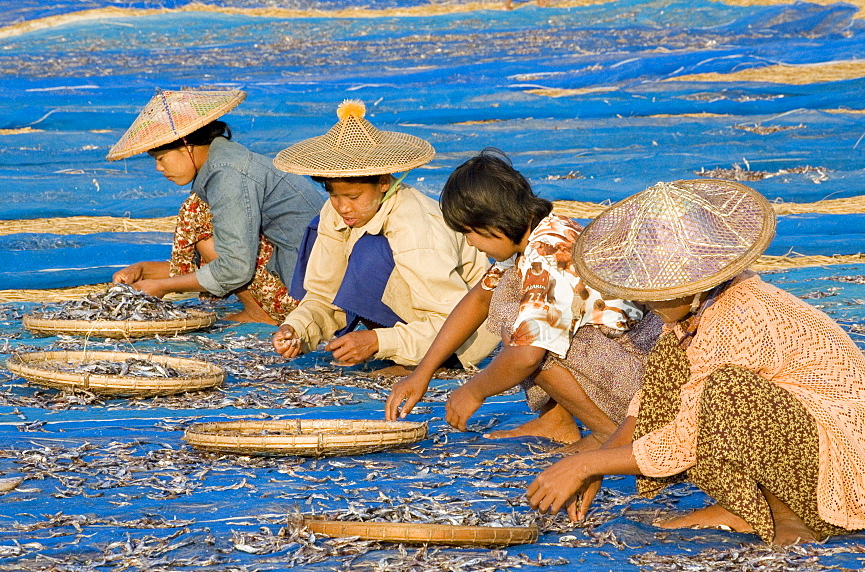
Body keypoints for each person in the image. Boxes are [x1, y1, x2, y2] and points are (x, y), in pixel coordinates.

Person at [526, 179, 865, 545]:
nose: (647, 302)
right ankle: (746, 508)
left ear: (696, 285)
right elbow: (647, 403)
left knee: (730, 389)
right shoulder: (693, 316)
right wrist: (598, 459)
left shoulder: (737, 315)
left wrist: (586, 466)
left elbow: (685, 439)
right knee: (668, 366)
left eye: (657, 292)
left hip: (843, 465)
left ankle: (788, 518)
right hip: (803, 448)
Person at [386, 150, 657, 447]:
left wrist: (474, 390)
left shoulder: (546, 256)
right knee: (511, 298)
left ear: (494, 221)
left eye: (470, 232)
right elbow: (478, 300)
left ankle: (609, 434)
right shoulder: (535, 233)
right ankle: (556, 421)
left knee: (530, 340)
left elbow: (527, 357)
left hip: (640, 380)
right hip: (620, 365)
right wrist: (423, 372)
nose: (469, 243)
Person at [270, 100, 498, 370]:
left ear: (383, 183)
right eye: (334, 194)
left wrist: (380, 341)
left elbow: (454, 319)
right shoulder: (336, 212)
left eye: (354, 197)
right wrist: (297, 328)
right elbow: (324, 294)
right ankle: (398, 352)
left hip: (460, 341)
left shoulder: (414, 229)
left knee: (370, 251)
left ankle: (425, 362)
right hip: (413, 327)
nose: (343, 207)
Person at [107, 88, 323, 324]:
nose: (159, 168)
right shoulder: (224, 162)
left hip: (309, 297)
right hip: (305, 274)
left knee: (198, 217)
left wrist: (162, 287)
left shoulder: (228, 175)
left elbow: (234, 267)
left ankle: (261, 313)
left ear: (186, 146)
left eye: (160, 158)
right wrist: (143, 270)